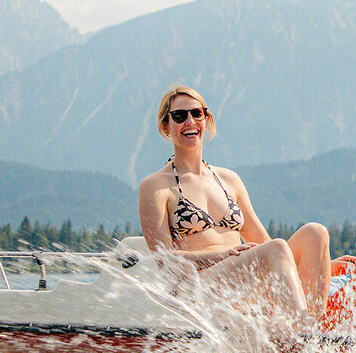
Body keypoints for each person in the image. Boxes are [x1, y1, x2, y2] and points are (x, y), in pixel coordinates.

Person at [137, 85, 332, 325]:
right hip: (197, 287)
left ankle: (311, 329)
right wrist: (223, 256)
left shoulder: (229, 179)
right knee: (277, 248)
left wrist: (322, 263)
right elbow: (163, 259)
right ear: (166, 126)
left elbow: (266, 245)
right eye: (179, 116)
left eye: (197, 113)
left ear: (206, 120)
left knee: (316, 233)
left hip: (241, 283)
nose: (190, 121)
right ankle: (303, 333)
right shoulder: (155, 186)